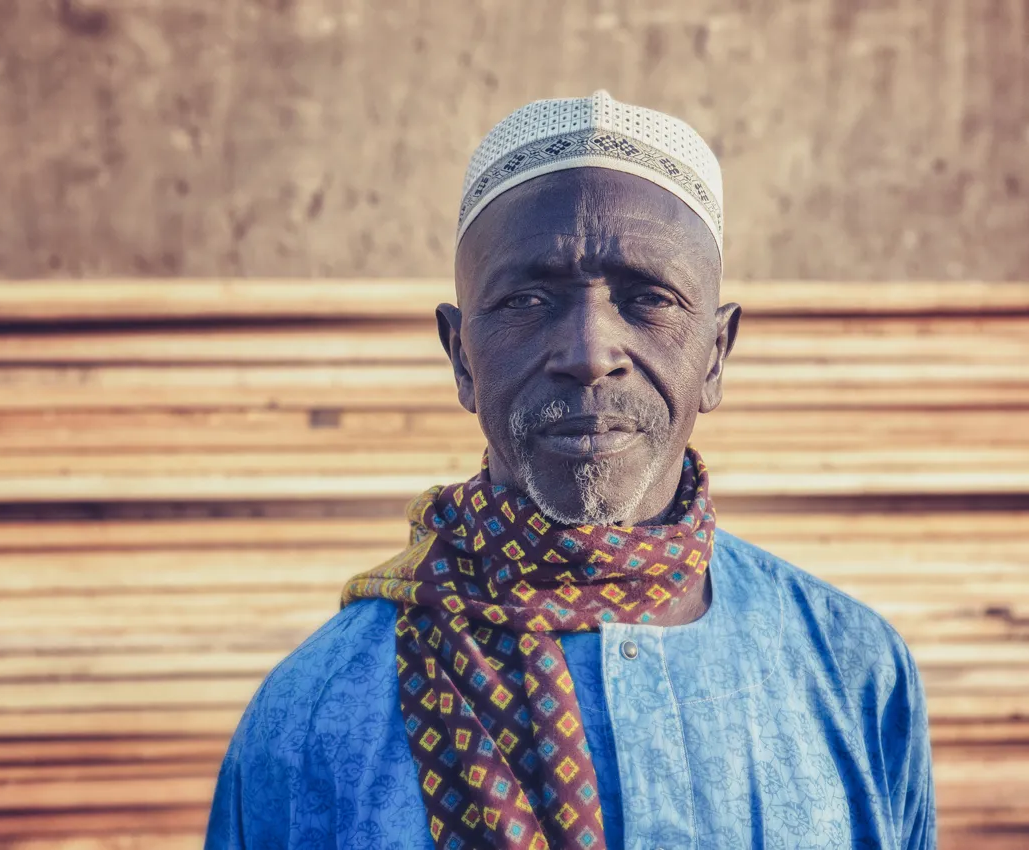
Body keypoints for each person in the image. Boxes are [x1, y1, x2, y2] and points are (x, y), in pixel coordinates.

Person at [205, 91, 936, 850]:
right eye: (527, 299)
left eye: (648, 298)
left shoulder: (855, 674)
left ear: (716, 355)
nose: (590, 353)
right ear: (461, 358)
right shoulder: (311, 717)